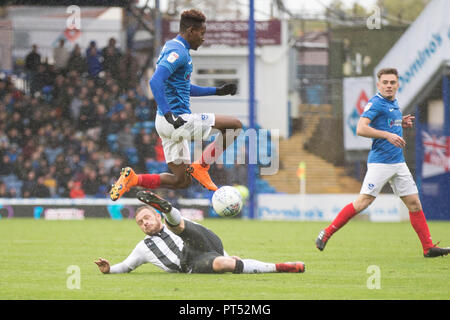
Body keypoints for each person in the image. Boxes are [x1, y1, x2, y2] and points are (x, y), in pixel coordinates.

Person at [315, 68, 450, 258]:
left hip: (398, 163)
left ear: (397, 84)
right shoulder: (376, 103)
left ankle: (428, 247)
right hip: (380, 164)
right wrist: (387, 134)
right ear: (378, 85)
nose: (388, 86)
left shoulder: (393, 103)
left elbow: (386, 122)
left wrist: (398, 123)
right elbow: (361, 128)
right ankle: (326, 233)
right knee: (363, 202)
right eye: (385, 82)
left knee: (414, 204)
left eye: (392, 82)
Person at [109, 9, 242, 201]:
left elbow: (184, 88)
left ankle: (133, 180)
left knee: (182, 181)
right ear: (190, 31)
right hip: (177, 120)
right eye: (202, 33)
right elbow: (155, 81)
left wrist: (217, 91)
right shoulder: (178, 52)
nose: (203, 38)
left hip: (165, 123)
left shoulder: (172, 46)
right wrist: (170, 113)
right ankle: (203, 165)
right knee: (235, 126)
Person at [95, 190, 305, 274]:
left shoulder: (174, 224)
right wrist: (108, 269)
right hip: (190, 264)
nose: (145, 224)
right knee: (226, 264)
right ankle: (281, 267)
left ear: (156, 216)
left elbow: (201, 232)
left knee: (180, 227)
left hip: (204, 241)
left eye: (147, 218)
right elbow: (126, 266)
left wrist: (222, 251)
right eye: (140, 222)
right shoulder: (143, 248)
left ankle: (167, 208)